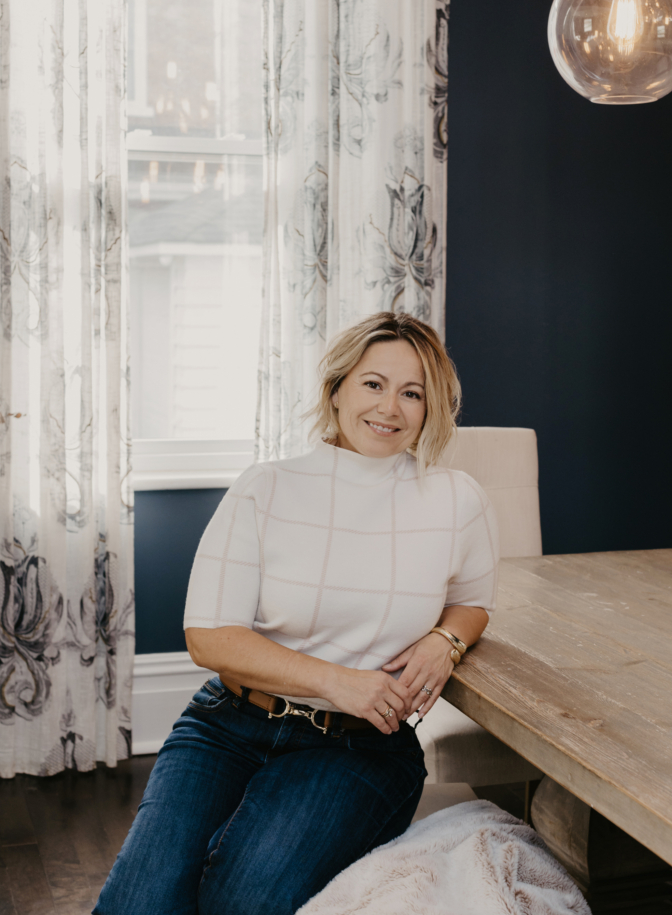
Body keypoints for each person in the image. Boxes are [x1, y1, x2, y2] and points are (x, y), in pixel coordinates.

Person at [94, 311, 499, 915]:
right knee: (140, 902)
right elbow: (209, 637)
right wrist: (340, 681)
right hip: (226, 725)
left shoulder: (456, 499)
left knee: (240, 901)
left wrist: (447, 639)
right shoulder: (266, 488)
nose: (390, 406)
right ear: (336, 390)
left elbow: (472, 601)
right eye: (372, 383)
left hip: (357, 750)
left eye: (412, 392)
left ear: (430, 407)